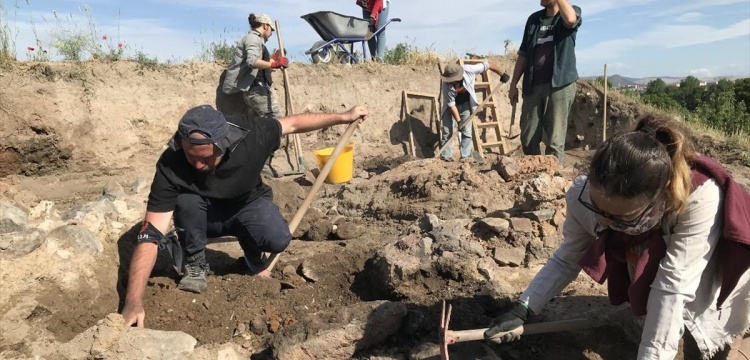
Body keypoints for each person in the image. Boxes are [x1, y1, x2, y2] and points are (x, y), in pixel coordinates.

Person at [483, 113, 750, 360]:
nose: (602, 221)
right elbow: (568, 258)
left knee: (703, 331)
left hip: (717, 264)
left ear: (661, 194)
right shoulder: (583, 195)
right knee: (656, 312)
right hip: (660, 252)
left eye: (620, 217)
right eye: (598, 209)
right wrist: (524, 308)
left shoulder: (699, 197)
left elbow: (673, 286)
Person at [121, 104, 368, 327]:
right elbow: (150, 236)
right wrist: (133, 302)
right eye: (190, 155)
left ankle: (252, 250)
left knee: (278, 239)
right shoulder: (171, 163)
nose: (197, 165)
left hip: (245, 205)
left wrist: (344, 117)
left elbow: (292, 123)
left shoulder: (252, 134)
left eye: (205, 157)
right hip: (201, 216)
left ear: (224, 143)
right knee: (186, 200)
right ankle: (195, 262)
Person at [508, 0, 581, 162]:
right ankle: (534, 176)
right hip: (533, 85)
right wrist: (513, 84)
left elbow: (570, 20)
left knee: (554, 141)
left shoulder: (570, 12)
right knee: (528, 138)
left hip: (559, 86)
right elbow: (524, 54)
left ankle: (552, 181)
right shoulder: (534, 20)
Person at [221, 13, 288, 119]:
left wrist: (273, 59)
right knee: (276, 123)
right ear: (265, 26)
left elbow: (259, 65)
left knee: (259, 127)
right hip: (257, 90)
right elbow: (252, 61)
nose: (271, 33)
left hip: (255, 90)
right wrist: (274, 64)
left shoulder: (256, 41)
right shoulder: (253, 38)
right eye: (271, 29)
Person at [439, 61, 509, 161]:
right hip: (449, 106)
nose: (451, 82)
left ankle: (465, 157)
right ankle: (445, 157)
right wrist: (459, 122)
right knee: (447, 131)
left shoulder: (469, 70)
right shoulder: (446, 84)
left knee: (466, 131)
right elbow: (451, 105)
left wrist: (502, 73)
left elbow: (487, 64)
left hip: (465, 103)